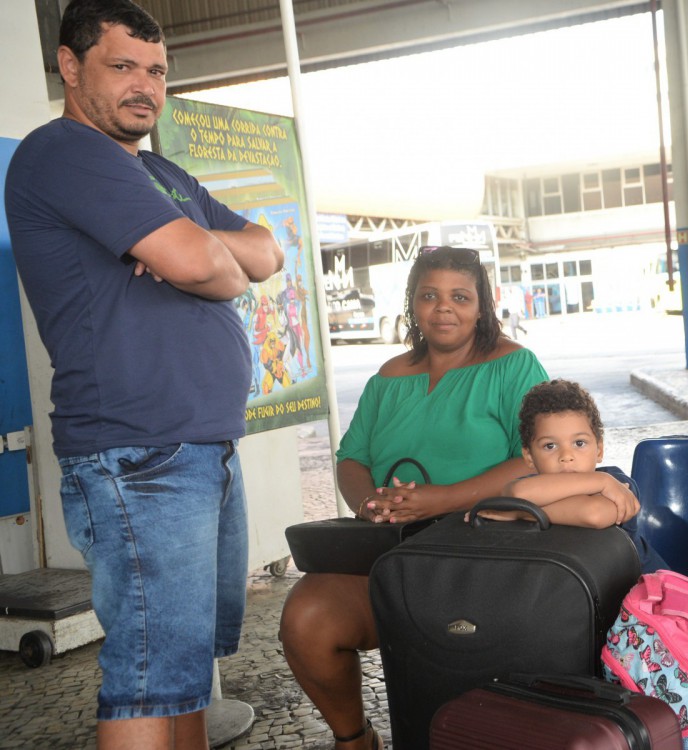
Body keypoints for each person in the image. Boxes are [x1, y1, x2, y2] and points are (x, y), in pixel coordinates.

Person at [3, 1, 285, 747]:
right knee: (147, 683)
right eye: (122, 66)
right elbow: (215, 270)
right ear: (70, 67)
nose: (144, 87)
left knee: (181, 678)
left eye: (156, 71)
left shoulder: (156, 170)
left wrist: (195, 247)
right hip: (138, 453)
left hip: (198, 448)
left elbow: (265, 251)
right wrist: (202, 257)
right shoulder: (63, 151)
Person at [278, 245, 548, 750]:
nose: (444, 308)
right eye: (430, 295)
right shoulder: (388, 377)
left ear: (482, 305)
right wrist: (368, 504)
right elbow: (352, 457)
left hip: (482, 556)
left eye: (460, 297)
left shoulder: (514, 366)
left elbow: (534, 457)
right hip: (389, 552)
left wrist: (442, 499)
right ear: (412, 305)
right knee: (306, 619)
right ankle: (355, 739)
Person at [494, 378, 668, 572]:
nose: (566, 456)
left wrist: (522, 513)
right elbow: (516, 492)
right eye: (550, 446)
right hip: (585, 590)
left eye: (579, 443)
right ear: (529, 456)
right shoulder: (536, 486)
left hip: (647, 593)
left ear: (599, 449)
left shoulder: (617, 483)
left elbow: (594, 514)